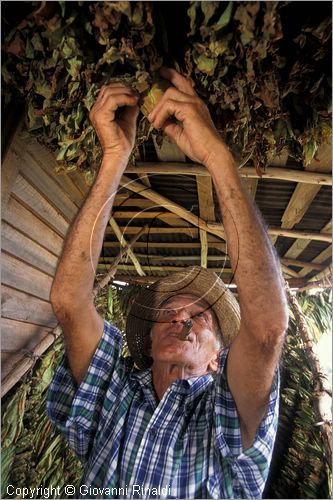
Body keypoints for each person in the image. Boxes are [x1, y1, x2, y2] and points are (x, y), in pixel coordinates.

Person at [47, 67, 288, 499]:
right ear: (148, 343)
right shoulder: (115, 391)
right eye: (168, 312)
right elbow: (68, 302)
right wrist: (114, 157)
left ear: (219, 359)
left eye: (200, 316)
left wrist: (216, 155)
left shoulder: (224, 416)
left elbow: (267, 327)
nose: (181, 316)